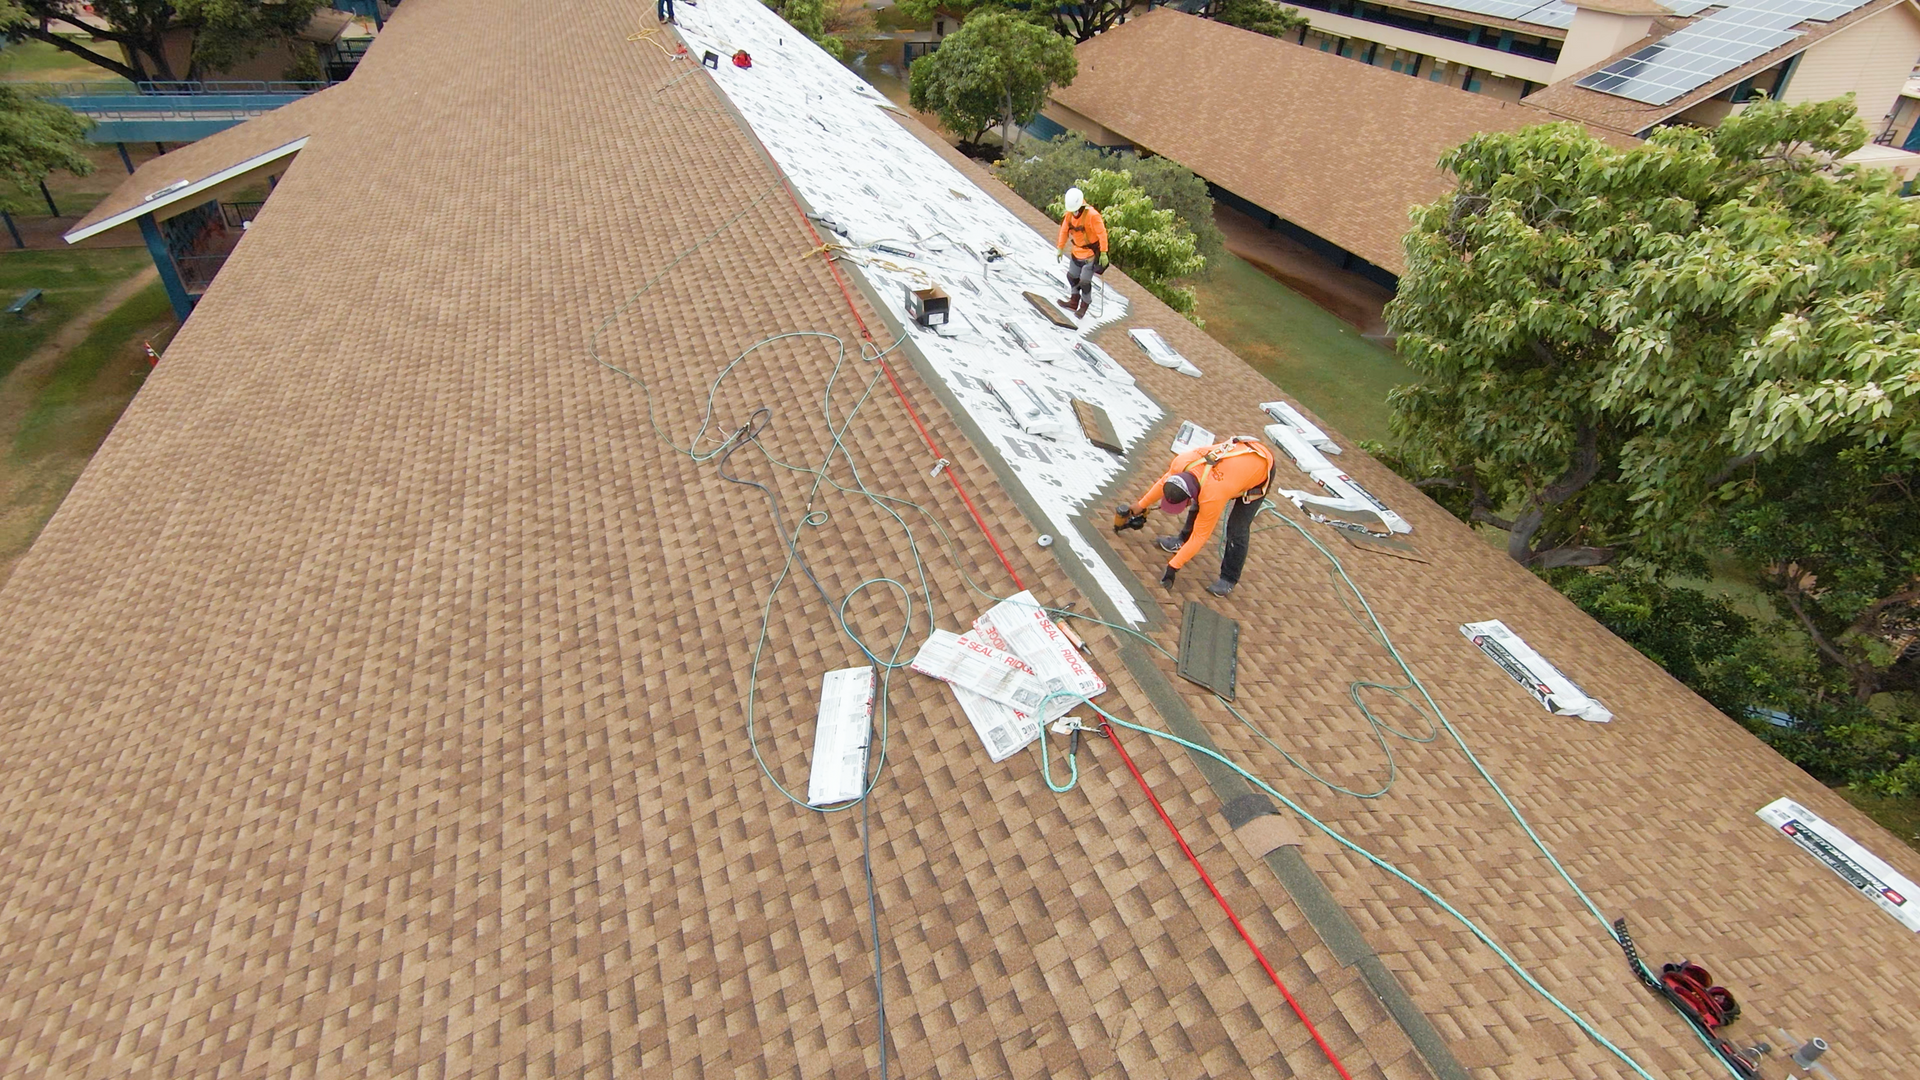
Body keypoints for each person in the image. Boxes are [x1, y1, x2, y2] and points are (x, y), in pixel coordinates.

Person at [1113, 436, 1275, 597]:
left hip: (1261, 469)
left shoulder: (1213, 495)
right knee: (1201, 500)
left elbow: (1201, 535)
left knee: (1236, 528)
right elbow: (1165, 482)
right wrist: (1140, 506)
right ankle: (1181, 541)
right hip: (1234, 465)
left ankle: (1228, 579)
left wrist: (1173, 567)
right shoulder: (1182, 462)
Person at [1054, 187, 1108, 319]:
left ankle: (1084, 305)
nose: (1074, 213)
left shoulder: (1093, 216)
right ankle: (1073, 302)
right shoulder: (1069, 215)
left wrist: (1103, 252)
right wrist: (1060, 248)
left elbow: (1102, 234)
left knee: (1085, 281)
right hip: (1077, 252)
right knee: (1072, 277)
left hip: (1090, 254)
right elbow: (1064, 231)